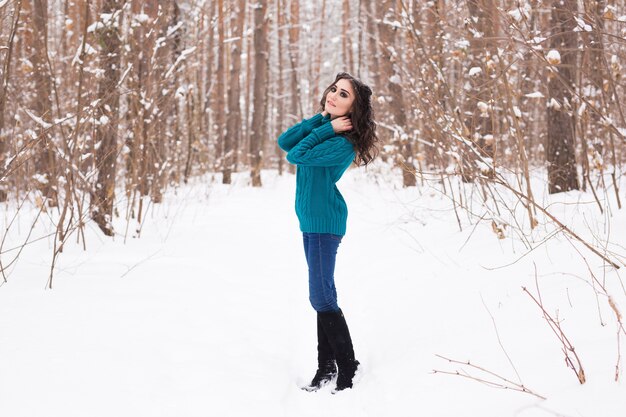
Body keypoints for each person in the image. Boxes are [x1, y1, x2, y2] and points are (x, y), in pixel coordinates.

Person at [277, 72, 379, 393]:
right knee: (323, 295)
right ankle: (326, 367)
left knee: (320, 296)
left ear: (354, 109)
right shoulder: (327, 129)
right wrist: (321, 118)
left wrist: (329, 127)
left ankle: (348, 366)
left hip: (325, 223)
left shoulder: (342, 142)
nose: (333, 95)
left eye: (343, 94)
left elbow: (296, 154)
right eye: (334, 89)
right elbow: (285, 141)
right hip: (310, 221)